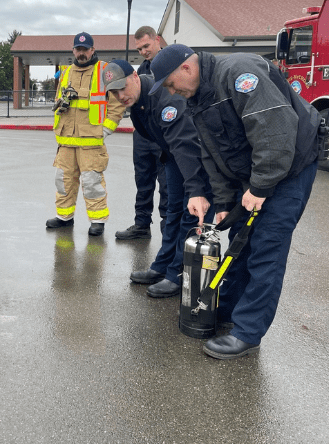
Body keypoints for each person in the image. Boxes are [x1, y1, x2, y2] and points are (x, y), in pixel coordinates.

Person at [149, 44, 322, 359]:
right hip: (255, 173)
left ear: (187, 68)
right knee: (239, 243)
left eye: (172, 84)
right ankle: (227, 309)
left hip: (290, 167)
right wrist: (226, 201)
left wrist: (259, 187)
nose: (173, 92)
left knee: (266, 249)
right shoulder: (198, 98)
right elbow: (212, 155)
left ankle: (248, 332)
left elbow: (275, 131)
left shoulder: (239, 73)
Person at [103, 60, 213, 298]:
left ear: (135, 75)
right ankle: (162, 266)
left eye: (123, 87)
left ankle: (177, 273)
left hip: (197, 159)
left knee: (189, 215)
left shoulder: (165, 100)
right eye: (114, 92)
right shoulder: (138, 106)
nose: (120, 96)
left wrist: (196, 190)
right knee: (173, 211)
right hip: (173, 156)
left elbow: (185, 144)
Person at [45, 32, 125, 236]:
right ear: (73, 50)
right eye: (78, 49)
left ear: (92, 50)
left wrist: (105, 129)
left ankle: (97, 220)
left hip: (91, 141)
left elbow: (117, 105)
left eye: (85, 49)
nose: (81, 53)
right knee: (63, 181)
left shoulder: (104, 71)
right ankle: (64, 218)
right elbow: (58, 103)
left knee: (92, 182)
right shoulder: (65, 73)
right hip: (65, 140)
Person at [116, 26, 168, 240]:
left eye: (146, 46)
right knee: (143, 180)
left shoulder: (170, 64)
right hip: (143, 135)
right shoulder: (142, 69)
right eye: (139, 49)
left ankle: (169, 230)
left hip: (165, 135)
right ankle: (141, 224)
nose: (144, 51)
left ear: (157, 40)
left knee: (167, 186)